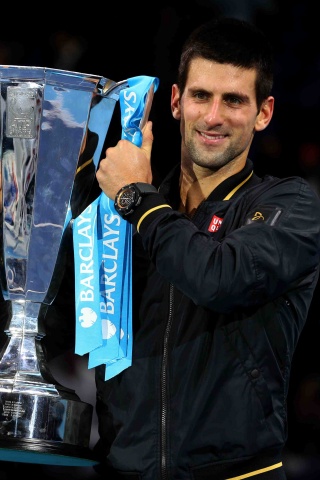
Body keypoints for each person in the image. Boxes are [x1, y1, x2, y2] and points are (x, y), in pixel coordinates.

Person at [93, 15, 320, 480]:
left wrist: (137, 199)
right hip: (122, 469)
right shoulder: (130, 212)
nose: (214, 117)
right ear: (176, 102)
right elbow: (65, 321)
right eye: (201, 96)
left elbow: (219, 278)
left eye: (234, 100)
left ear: (264, 112)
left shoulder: (290, 205)